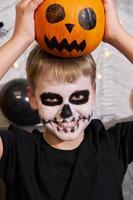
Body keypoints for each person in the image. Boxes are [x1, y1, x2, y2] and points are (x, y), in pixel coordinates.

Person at [0, 0, 133, 200]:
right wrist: (20, 39)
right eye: (52, 99)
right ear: (33, 98)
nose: (67, 112)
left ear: (93, 93)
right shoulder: (17, 151)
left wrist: (117, 35)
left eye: (79, 97)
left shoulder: (115, 145)